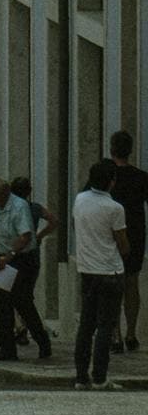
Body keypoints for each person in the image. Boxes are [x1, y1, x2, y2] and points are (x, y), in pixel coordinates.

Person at [72, 159, 129, 389]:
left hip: (87, 270)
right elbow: (123, 244)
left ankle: (81, 377)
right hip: (110, 270)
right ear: (112, 182)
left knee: (86, 325)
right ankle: (100, 376)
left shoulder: (79, 199)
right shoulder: (115, 208)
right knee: (105, 326)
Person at [91, 131, 147, 354]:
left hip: (108, 236)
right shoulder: (141, 177)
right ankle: (131, 332)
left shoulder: (104, 173)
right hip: (134, 234)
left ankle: (115, 334)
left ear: (111, 148)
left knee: (112, 287)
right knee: (131, 284)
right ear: (130, 149)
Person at [0, 178, 51, 362]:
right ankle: (7, 348)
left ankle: (43, 342)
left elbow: (25, 236)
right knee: (3, 305)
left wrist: (10, 255)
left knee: (22, 302)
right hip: (1, 257)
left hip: (20, 258)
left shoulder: (19, 207)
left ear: (3, 195)